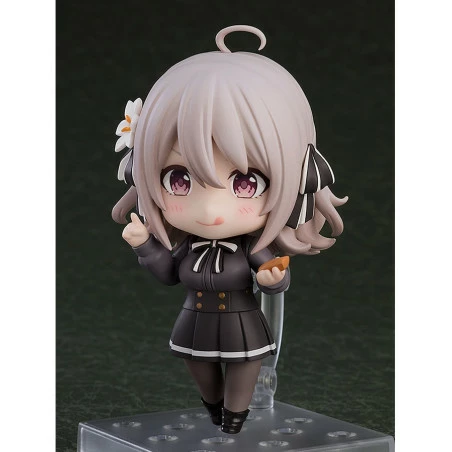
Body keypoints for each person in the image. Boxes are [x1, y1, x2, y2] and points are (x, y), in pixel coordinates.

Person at [112, 25, 347, 434]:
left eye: (245, 183)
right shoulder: (188, 247)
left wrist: (274, 279)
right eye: (179, 179)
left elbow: (273, 274)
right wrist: (144, 244)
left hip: (242, 321)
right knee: (197, 363)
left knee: (245, 365)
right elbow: (168, 273)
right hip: (194, 319)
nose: (210, 209)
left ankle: (234, 419)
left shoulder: (251, 247)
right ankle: (214, 408)